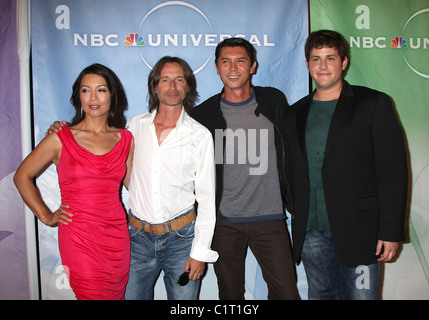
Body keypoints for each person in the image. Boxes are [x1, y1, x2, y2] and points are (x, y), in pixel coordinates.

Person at [47, 56, 218, 300]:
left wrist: (200, 252)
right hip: (137, 240)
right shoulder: (133, 128)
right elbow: (97, 137)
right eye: (165, 80)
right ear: (154, 86)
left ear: (187, 86)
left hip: (182, 241)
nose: (172, 87)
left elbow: (208, 199)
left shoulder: (200, 136)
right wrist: (61, 128)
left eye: (179, 80)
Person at [285, 30, 408, 300]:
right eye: (316, 59)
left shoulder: (374, 104)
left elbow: (393, 171)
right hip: (311, 234)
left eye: (330, 58)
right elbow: (289, 171)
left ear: (344, 62)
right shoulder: (294, 113)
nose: (323, 65)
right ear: (307, 65)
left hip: (360, 231)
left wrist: (390, 230)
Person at [191, 37, 300, 300]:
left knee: (286, 293)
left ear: (253, 66)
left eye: (240, 60)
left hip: (270, 218)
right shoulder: (203, 115)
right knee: (230, 296)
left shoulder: (273, 100)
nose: (233, 67)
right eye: (225, 61)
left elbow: (293, 149)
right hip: (225, 222)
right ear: (216, 68)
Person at [14, 63, 134, 300]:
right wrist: (46, 216)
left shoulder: (126, 139)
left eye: (101, 89)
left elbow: (136, 186)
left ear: (112, 95)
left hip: (117, 236)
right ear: (78, 95)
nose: (93, 97)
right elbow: (22, 176)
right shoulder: (61, 138)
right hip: (79, 237)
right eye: (85, 90)